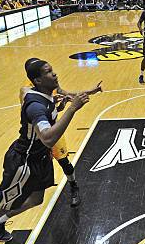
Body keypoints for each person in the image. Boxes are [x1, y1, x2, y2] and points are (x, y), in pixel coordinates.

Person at [0, 60, 90, 244]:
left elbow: (48, 118)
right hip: (24, 162)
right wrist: (72, 109)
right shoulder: (35, 105)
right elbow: (47, 138)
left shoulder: (46, 95)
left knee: (36, 199)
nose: (54, 74)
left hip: (39, 158)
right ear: (37, 80)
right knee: (1, 205)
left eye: (53, 70)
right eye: (48, 72)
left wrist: (63, 107)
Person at [21, 58, 103, 207]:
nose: (53, 74)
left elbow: (68, 95)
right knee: (35, 179)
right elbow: (37, 113)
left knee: (64, 162)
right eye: (47, 71)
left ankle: (73, 186)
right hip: (40, 135)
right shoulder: (27, 92)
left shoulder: (49, 85)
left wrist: (90, 91)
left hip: (53, 130)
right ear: (36, 77)